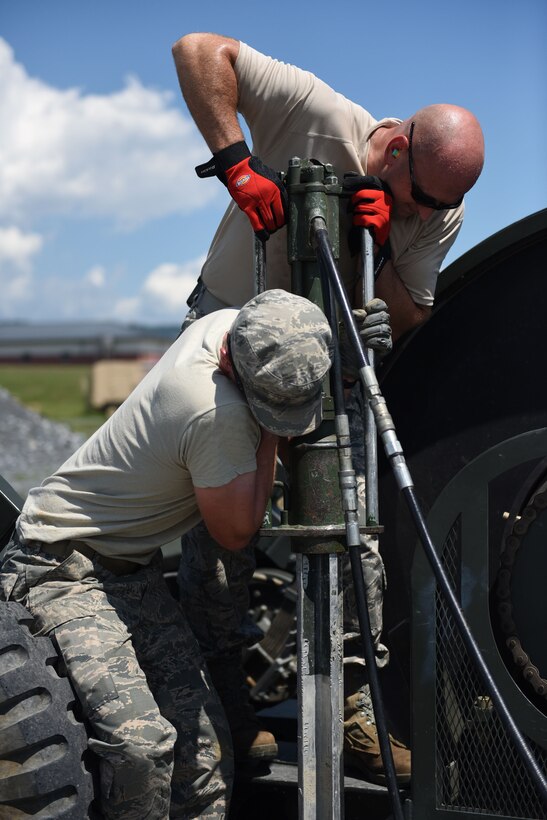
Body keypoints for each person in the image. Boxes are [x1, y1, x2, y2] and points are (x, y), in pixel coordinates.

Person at [171, 32, 485, 785]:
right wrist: (236, 164)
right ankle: (227, 710)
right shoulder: (315, 111)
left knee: (353, 527)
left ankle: (353, 711)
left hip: (324, 363)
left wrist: (374, 252)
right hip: (226, 339)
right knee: (221, 532)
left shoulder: (436, 206)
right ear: (397, 145)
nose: (426, 212)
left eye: (439, 206)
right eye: (417, 195)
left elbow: (408, 309)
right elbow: (196, 50)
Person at [0, 289, 333, 819]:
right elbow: (237, 532)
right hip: (61, 565)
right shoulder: (212, 411)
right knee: (142, 746)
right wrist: (271, 434)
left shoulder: (233, 323)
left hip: (130, 572)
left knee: (204, 754)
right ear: (233, 365)